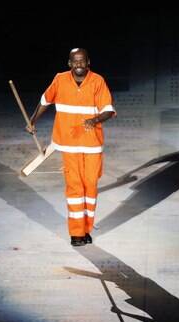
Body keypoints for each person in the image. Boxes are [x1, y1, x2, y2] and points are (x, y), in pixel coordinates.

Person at [26, 48, 116, 246]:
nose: (78, 65)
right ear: (69, 63)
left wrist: (95, 119)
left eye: (82, 61)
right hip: (68, 144)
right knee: (74, 188)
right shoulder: (60, 80)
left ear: (88, 62)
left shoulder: (97, 81)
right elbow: (45, 101)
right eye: (75, 62)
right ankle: (76, 233)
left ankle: (86, 229)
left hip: (92, 144)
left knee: (90, 186)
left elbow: (108, 109)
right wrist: (32, 120)